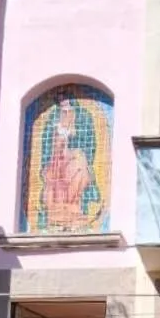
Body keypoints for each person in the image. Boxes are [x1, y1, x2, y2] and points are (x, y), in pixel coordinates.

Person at [37, 90, 104, 231]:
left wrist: (74, 139)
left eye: (66, 100)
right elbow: (47, 142)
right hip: (57, 159)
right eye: (60, 101)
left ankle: (74, 212)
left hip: (76, 157)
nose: (63, 103)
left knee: (78, 170)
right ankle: (56, 217)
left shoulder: (83, 116)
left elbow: (89, 140)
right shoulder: (53, 118)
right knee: (55, 179)